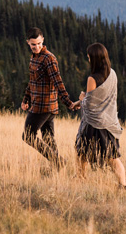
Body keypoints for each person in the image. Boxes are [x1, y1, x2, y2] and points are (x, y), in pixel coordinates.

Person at [73, 42, 126, 188]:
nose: (88, 59)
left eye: (89, 57)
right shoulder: (113, 73)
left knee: (82, 153)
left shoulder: (92, 79)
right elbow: (100, 98)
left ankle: (81, 179)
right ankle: (123, 185)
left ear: (95, 59)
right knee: (113, 158)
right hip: (109, 123)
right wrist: (78, 102)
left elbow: (89, 104)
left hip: (94, 125)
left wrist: (81, 99)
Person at [20, 27, 77, 172]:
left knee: (27, 135)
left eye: (39, 43)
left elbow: (58, 82)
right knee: (48, 139)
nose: (37, 47)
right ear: (28, 43)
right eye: (33, 44)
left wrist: (68, 102)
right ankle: (58, 171)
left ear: (43, 40)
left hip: (44, 107)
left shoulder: (49, 59)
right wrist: (26, 99)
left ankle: (58, 162)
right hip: (41, 105)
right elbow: (32, 82)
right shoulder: (34, 58)